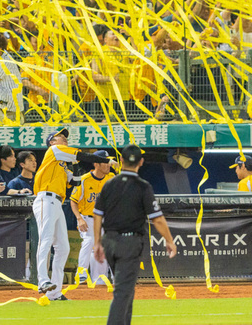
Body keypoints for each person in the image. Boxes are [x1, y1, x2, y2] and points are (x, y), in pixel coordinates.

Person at [94, 144, 177, 325]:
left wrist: (98, 242)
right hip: (129, 243)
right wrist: (169, 240)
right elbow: (158, 219)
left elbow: (97, 215)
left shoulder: (109, 184)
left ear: (121, 160)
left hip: (110, 241)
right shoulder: (142, 187)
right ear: (141, 162)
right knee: (123, 291)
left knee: (126, 288)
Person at [33, 128, 110, 301]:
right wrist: (106, 160)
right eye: (61, 137)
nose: (65, 139)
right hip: (45, 198)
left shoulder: (60, 166)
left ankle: (55, 293)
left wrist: (77, 168)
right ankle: (42, 280)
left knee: (63, 247)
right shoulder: (53, 151)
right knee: (45, 239)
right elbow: (84, 156)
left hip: (57, 203)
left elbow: (75, 180)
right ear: (52, 142)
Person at [70, 149, 117, 284]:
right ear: (96, 164)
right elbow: (73, 200)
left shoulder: (111, 178)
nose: (108, 165)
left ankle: (108, 278)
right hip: (87, 218)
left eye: (109, 162)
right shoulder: (84, 179)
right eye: (105, 162)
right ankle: (81, 271)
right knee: (89, 240)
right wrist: (79, 219)